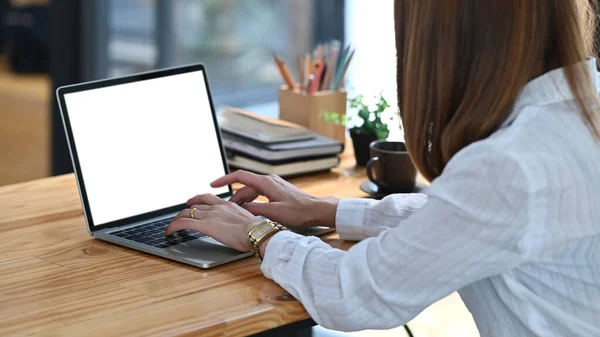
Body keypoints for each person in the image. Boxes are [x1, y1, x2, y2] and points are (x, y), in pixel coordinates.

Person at [166, 1, 600, 336]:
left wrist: (257, 233)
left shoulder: (513, 164)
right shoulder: (578, 113)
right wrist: (326, 210)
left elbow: (357, 292)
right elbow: (469, 221)